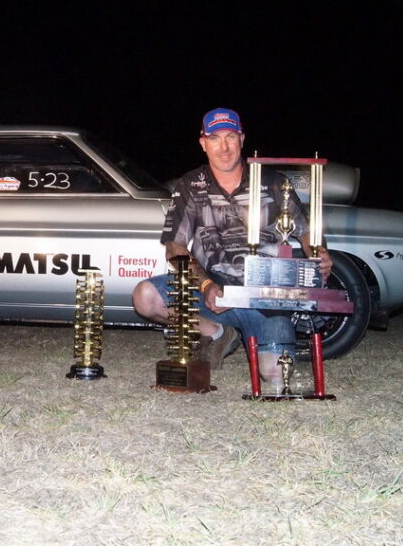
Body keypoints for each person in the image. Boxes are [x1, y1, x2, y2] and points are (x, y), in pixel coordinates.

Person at [132, 108, 333, 388]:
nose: (224, 147)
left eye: (230, 137)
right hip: (212, 294)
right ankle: (217, 332)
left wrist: (319, 256)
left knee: (274, 374)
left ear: (242, 139)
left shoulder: (274, 183)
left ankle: (262, 339)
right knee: (145, 297)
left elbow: (306, 232)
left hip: (265, 298)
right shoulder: (190, 184)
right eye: (215, 138)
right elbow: (174, 247)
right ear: (203, 143)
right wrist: (206, 286)